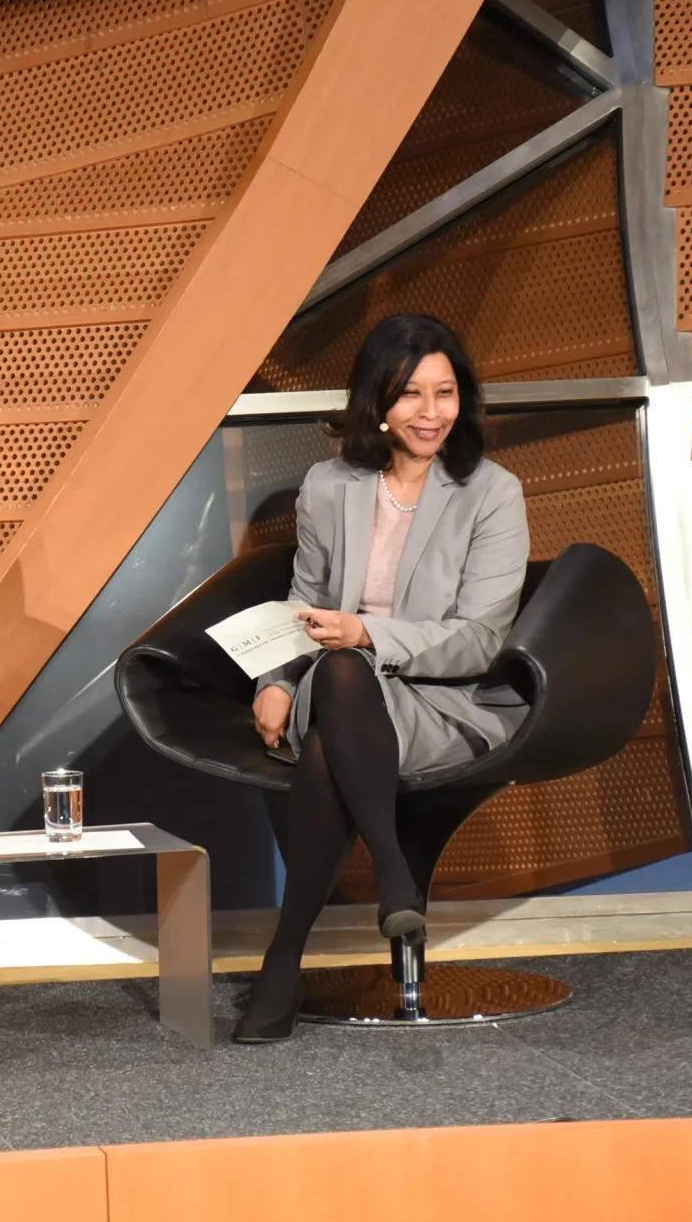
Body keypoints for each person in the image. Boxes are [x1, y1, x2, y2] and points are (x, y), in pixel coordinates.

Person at [235, 314, 529, 1044]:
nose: (431, 413)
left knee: (334, 723)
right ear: (377, 402)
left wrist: (368, 634)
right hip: (337, 687)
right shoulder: (330, 485)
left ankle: (285, 956)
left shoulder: (492, 492)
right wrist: (274, 678)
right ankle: (392, 876)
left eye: (446, 393)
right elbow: (303, 601)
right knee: (337, 676)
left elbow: (479, 639)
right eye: (410, 395)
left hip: (439, 698)